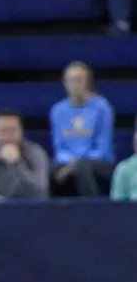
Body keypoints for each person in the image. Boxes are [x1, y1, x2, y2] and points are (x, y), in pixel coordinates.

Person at [49, 62, 116, 197]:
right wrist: (70, 163)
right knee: (48, 169)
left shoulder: (102, 108)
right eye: (70, 80)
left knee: (83, 168)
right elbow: (59, 147)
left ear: (88, 82)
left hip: (100, 163)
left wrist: (76, 164)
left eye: (79, 80)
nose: (74, 85)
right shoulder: (57, 110)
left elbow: (103, 148)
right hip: (67, 162)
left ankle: (92, 212)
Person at [0, 110, 50, 202]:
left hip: (30, 211)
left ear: (21, 131)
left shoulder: (36, 153)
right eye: (3, 131)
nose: (8, 136)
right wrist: (8, 206)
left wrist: (17, 164)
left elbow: (41, 193)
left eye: (13, 130)